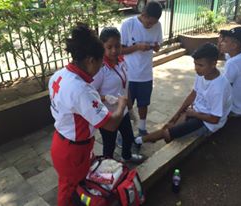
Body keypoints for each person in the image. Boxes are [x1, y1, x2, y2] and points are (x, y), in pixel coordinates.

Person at [48, 24, 127, 206]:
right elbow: (111, 124)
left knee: (71, 186)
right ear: (91, 60)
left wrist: (103, 97)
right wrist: (122, 105)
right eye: (101, 62)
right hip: (73, 152)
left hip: (62, 142)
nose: (101, 66)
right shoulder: (81, 89)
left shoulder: (59, 76)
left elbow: (76, 103)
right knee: (67, 192)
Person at [135, 43, 232, 144]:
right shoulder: (203, 73)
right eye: (195, 64)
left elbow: (215, 119)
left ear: (213, 64)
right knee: (169, 126)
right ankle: (143, 139)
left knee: (168, 134)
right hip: (196, 112)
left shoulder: (219, 88)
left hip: (206, 123)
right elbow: (193, 94)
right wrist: (175, 117)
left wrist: (194, 114)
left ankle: (140, 140)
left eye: (200, 65)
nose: (196, 68)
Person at [91, 27, 144, 163]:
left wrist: (131, 109)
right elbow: (91, 94)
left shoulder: (121, 61)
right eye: (109, 47)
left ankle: (126, 157)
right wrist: (106, 98)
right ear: (102, 47)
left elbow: (126, 87)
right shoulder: (100, 69)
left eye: (117, 46)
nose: (114, 50)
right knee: (109, 144)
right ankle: (107, 169)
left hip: (123, 111)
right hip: (108, 115)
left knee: (128, 138)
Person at [120, 1, 163, 136]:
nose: (151, 26)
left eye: (154, 23)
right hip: (129, 74)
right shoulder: (129, 24)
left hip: (146, 74)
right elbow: (120, 50)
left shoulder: (157, 25)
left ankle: (142, 128)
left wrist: (156, 47)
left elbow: (158, 45)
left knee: (143, 104)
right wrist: (137, 47)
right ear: (143, 14)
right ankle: (124, 133)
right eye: (149, 23)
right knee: (127, 106)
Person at [219, 27, 241, 116]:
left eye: (225, 41)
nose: (221, 43)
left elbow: (223, 89)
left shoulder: (233, 63)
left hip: (234, 109)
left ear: (234, 46)